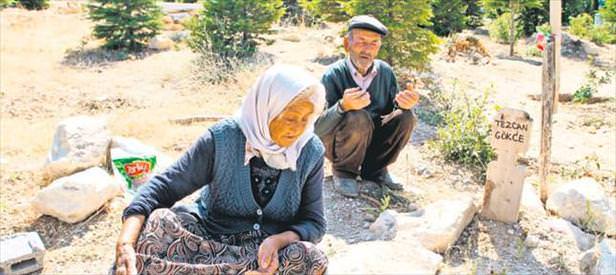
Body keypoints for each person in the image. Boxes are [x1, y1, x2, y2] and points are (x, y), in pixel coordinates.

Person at [113, 65, 328, 275]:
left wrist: (279, 240)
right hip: (208, 242)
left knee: (310, 257)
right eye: (290, 118)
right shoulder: (222, 139)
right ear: (266, 108)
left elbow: (314, 222)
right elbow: (164, 188)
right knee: (159, 222)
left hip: (266, 256)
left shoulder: (309, 150)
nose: (298, 128)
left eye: (306, 119)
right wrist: (125, 245)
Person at [315, 15, 420, 198]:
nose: (367, 49)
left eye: (374, 43)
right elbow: (317, 129)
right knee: (357, 117)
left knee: (406, 117)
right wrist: (342, 106)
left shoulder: (385, 72)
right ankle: (345, 173)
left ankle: (376, 170)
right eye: (361, 41)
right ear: (347, 43)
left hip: (373, 143)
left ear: (379, 47)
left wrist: (404, 104)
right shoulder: (332, 75)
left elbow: (390, 112)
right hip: (341, 147)